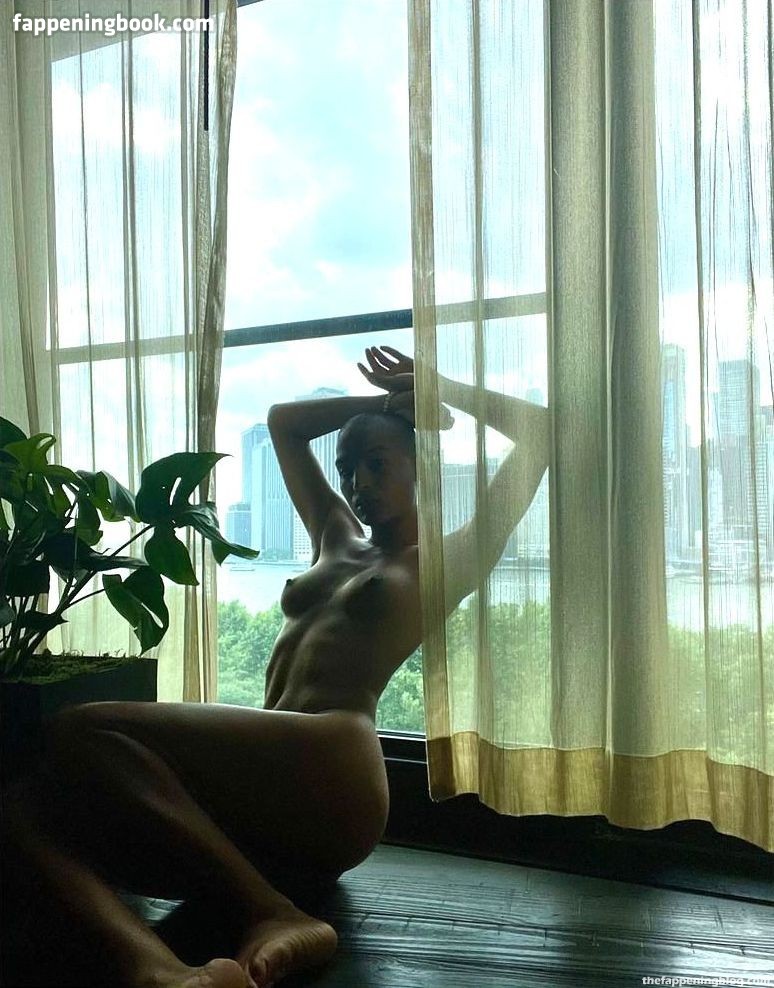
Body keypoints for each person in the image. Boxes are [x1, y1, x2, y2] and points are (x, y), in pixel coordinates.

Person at [2, 346, 549, 988]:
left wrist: (438, 389)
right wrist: (382, 403)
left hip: (335, 762)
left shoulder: (444, 563)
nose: (359, 482)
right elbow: (284, 423)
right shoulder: (335, 535)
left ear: (420, 465)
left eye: (378, 463)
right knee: (21, 809)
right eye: (347, 469)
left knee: (81, 728)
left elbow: (539, 432)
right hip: (274, 785)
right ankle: (159, 972)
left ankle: (272, 912)